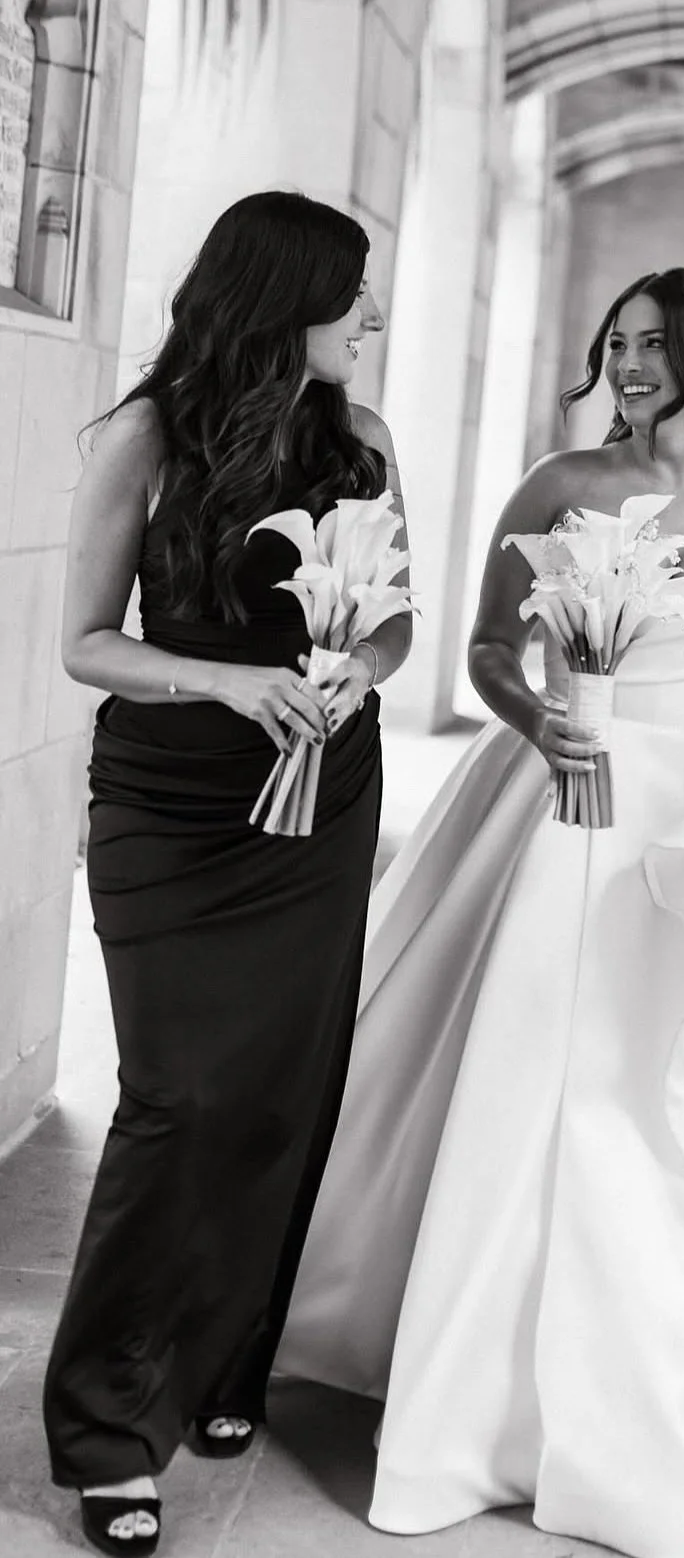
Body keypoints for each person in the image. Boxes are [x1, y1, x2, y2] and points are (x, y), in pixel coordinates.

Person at [275, 268, 684, 1558]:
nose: (630, 364)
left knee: (650, 1098)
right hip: (566, 804)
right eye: (619, 342)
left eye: (657, 344)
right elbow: (487, 648)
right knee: (540, 1076)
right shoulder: (561, 484)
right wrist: (545, 720)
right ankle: (468, 1418)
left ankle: (628, 1429)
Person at [45, 190, 411, 1557]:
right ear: (284, 296)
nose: (369, 316)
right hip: (170, 800)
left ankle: (223, 1364)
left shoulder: (364, 440)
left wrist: (354, 671)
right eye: (352, 291)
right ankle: (105, 1427)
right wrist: (229, 681)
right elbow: (86, 643)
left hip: (321, 798)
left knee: (277, 1093)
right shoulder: (145, 435)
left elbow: (395, 624)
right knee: (174, 1097)